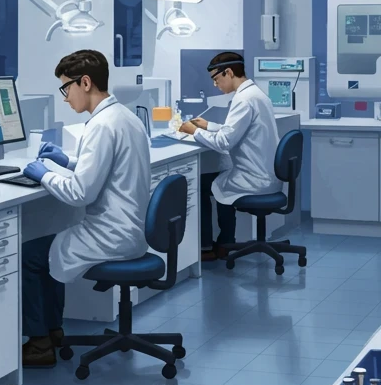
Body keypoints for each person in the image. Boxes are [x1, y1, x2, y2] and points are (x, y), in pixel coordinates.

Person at [19, 49, 151, 368]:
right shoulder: (125, 117)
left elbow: (80, 193)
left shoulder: (101, 125)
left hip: (111, 236)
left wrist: (43, 174)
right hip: (131, 231)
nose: (65, 97)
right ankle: (53, 331)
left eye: (66, 87)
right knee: (50, 245)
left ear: (86, 83)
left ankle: (40, 343)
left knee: (31, 255)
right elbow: (108, 167)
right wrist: (68, 161)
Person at [178, 51, 279, 262]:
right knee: (219, 182)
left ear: (229, 72)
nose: (215, 85)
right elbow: (238, 130)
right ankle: (225, 242)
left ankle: (209, 247)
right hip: (266, 173)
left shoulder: (243, 100)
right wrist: (209, 126)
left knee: (200, 184)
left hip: (255, 178)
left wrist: (194, 131)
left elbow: (224, 142)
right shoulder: (256, 94)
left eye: (216, 79)